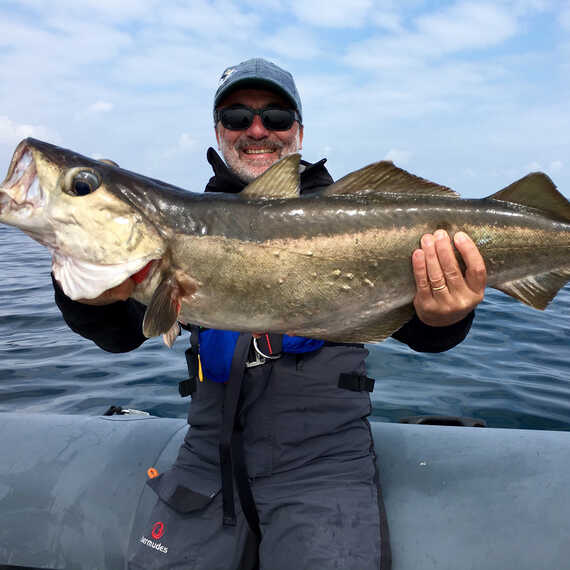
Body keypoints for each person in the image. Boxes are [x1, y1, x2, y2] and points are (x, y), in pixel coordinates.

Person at [53, 58, 486, 569]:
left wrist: (445, 318)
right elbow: (119, 334)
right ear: (219, 131)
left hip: (325, 465)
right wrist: (83, 294)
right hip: (205, 461)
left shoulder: (359, 213)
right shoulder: (178, 222)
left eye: (276, 117)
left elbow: (422, 332)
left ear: (298, 131)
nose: (257, 130)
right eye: (237, 117)